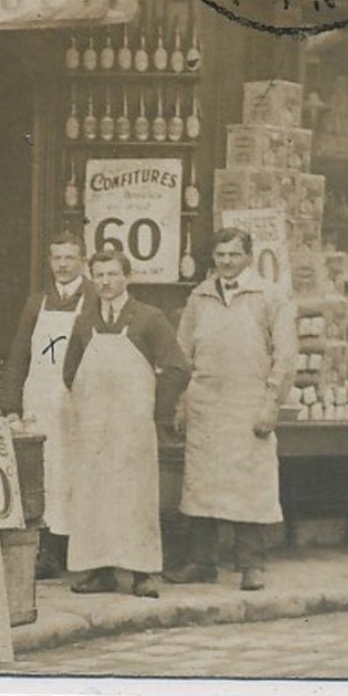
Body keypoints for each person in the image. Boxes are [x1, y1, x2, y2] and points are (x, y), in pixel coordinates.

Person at [164, 227, 298, 592]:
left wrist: (272, 403)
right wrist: (181, 401)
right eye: (220, 255)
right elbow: (182, 352)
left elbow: (285, 357)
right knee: (202, 482)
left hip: (248, 402)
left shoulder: (271, 297)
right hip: (205, 401)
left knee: (248, 483)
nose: (226, 262)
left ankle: (251, 564)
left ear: (248, 257)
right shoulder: (200, 297)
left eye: (233, 255)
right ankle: (201, 562)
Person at [60, 249, 190, 599]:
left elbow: (178, 368)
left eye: (113, 274)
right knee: (95, 495)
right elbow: (69, 371)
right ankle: (99, 571)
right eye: (99, 275)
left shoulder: (148, 318)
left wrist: (154, 409)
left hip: (134, 425)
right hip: (95, 427)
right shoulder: (84, 321)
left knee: (135, 496)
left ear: (126, 277)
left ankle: (143, 572)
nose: (105, 282)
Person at [0, 233, 90, 579]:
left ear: (83, 260)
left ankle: (78, 552)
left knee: (75, 472)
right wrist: (11, 403)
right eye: (57, 258)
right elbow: (20, 352)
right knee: (43, 473)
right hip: (40, 398)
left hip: (76, 403)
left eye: (69, 258)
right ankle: (47, 551)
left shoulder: (92, 298)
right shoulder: (37, 301)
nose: (62, 265)